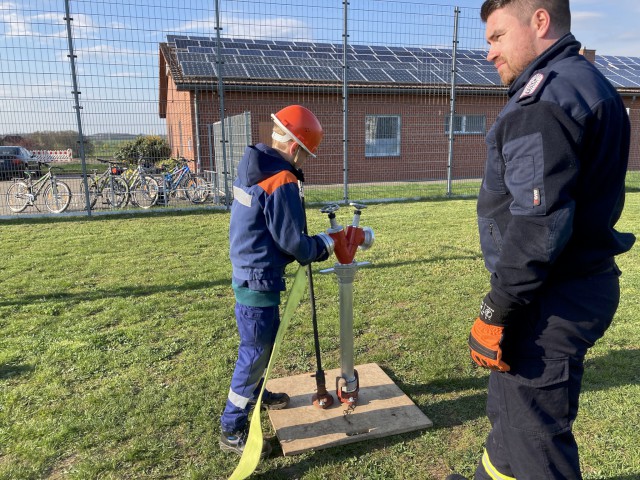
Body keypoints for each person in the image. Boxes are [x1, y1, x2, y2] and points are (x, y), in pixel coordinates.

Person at [448, 1, 635, 479]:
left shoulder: (543, 101)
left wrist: (496, 310)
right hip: (568, 286)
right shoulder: (586, 82)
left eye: (496, 36)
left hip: (549, 300)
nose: (488, 52)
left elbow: (538, 225)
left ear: (539, 21)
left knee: (536, 442)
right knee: (510, 420)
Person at [219, 105, 334, 458]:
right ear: (297, 148)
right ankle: (231, 425)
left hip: (250, 270)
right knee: (254, 351)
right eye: (306, 156)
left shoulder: (255, 165)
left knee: (264, 342)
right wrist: (325, 244)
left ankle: (255, 394)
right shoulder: (281, 179)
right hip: (259, 278)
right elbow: (292, 242)